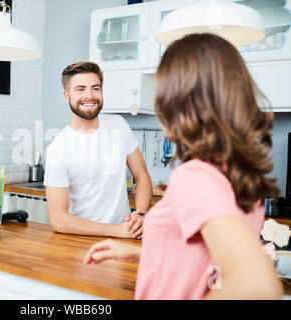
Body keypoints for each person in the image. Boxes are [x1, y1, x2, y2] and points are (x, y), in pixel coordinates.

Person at [84, 33, 284, 299]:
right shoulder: (241, 174)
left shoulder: (195, 177)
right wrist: (142, 253)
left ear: (177, 99)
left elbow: (255, 282)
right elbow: (205, 260)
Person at [44, 62, 152, 239]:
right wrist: (118, 231)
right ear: (66, 95)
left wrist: (140, 215)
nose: (89, 95)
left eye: (95, 88)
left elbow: (141, 176)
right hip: (82, 242)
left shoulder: (119, 125)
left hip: (126, 238)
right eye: (80, 89)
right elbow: (59, 220)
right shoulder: (58, 148)